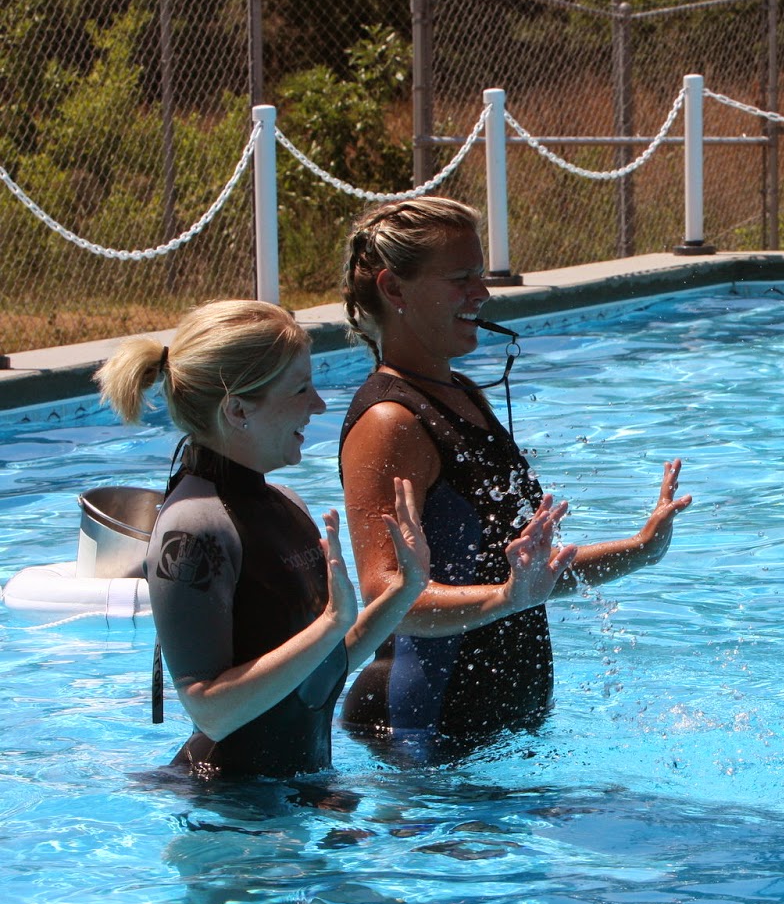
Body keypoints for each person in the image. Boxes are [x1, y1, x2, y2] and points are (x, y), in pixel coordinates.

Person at [338, 196, 690, 753]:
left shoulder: (462, 394)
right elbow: (387, 599)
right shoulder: (389, 421)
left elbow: (524, 579)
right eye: (460, 279)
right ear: (394, 289)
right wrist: (506, 597)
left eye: (479, 275)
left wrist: (640, 550)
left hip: (491, 734)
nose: (481, 293)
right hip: (422, 732)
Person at [94, 299, 438, 779]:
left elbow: (318, 666)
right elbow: (210, 711)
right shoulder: (192, 529)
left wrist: (406, 587)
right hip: (226, 804)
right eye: (300, 389)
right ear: (237, 409)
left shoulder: (285, 503)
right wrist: (330, 624)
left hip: (294, 797)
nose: (318, 404)